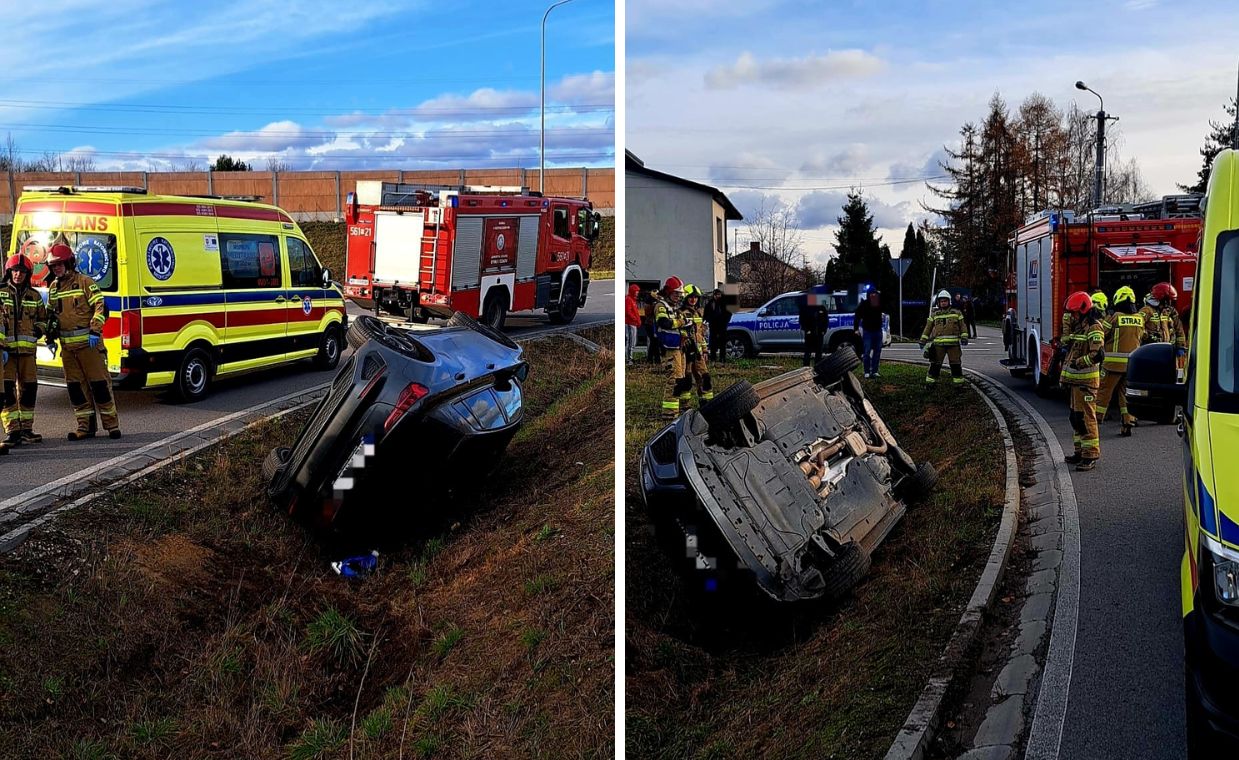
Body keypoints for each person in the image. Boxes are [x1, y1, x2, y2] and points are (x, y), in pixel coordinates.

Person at [46, 242, 121, 439]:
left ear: (69, 263)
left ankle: (112, 426)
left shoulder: (85, 282)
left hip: (90, 346)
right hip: (68, 350)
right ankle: (84, 428)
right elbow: (52, 315)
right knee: (76, 389)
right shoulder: (54, 288)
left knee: (100, 386)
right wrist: (50, 336)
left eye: (60, 264)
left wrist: (95, 331)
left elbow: (100, 306)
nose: (57, 269)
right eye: (54, 266)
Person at [0, 253, 47, 445]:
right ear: (9, 272)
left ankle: (27, 429)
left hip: (28, 353)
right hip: (6, 353)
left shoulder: (34, 296)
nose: (18, 275)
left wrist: (39, 329)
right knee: (8, 391)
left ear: (27, 274)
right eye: (15, 271)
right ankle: (12, 431)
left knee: (29, 390)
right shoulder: (0, 293)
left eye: (22, 271)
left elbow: (43, 319)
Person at [1061, 291, 1106, 471]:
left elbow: (1097, 355)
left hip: (1086, 384)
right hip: (1076, 384)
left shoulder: (1095, 328)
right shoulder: (1081, 328)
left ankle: (1091, 454)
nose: (1072, 316)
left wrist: (1078, 363)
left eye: (1074, 313)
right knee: (1076, 418)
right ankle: (1079, 452)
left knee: (1087, 419)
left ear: (1083, 310)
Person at [1094, 285, 1143, 436]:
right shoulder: (1139, 319)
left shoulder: (1115, 317)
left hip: (1112, 365)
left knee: (1103, 393)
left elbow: (1102, 333)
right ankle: (1128, 421)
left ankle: (1094, 422)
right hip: (1131, 366)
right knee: (1125, 395)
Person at [654, 276, 691, 419]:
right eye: (676, 294)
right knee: (674, 380)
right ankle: (669, 413)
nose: (678, 297)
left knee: (680, 379)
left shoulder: (673, 307)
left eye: (680, 294)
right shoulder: (661, 306)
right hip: (669, 348)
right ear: (668, 292)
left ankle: (677, 410)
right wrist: (682, 322)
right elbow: (665, 323)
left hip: (678, 347)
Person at [920, 289, 968, 385]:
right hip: (938, 345)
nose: (943, 303)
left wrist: (964, 337)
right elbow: (928, 328)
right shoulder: (934, 315)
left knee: (956, 364)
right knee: (935, 365)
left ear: (949, 301)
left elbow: (963, 326)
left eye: (945, 301)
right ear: (938, 302)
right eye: (941, 301)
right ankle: (930, 383)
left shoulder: (956, 313)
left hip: (953, 345)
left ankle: (958, 384)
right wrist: (923, 340)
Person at [680, 285, 712, 403]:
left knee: (705, 376)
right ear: (685, 298)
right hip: (686, 352)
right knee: (686, 378)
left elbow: (700, 334)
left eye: (695, 297)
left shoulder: (698, 313)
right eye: (690, 297)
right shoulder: (681, 313)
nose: (693, 300)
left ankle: (706, 403)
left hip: (698, 352)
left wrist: (704, 350)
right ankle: (685, 405)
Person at [854, 287, 884, 378]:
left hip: (878, 331)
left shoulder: (879, 304)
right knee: (866, 352)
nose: (873, 295)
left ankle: (874, 371)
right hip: (868, 331)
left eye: (875, 293)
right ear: (868, 295)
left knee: (877, 352)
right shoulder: (864, 304)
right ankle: (866, 371)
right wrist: (856, 329)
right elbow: (857, 316)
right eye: (871, 293)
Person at [797, 285, 829, 367]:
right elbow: (802, 320)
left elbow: (825, 320)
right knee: (808, 352)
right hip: (809, 333)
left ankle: (818, 368)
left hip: (819, 333)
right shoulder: (805, 308)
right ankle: (805, 368)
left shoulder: (821, 308)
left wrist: (823, 331)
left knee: (819, 352)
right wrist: (807, 330)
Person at [704, 288, 732, 362]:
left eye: (718, 294)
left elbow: (729, 314)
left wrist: (725, 322)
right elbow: (706, 314)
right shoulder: (710, 303)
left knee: (722, 343)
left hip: (722, 326)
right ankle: (713, 358)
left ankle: (722, 358)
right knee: (713, 343)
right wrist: (708, 320)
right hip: (713, 325)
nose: (717, 296)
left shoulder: (724, 303)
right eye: (716, 295)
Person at [643, 286, 662, 365]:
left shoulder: (654, 302)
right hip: (650, 324)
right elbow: (648, 313)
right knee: (654, 342)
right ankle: (654, 360)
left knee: (654, 342)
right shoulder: (650, 303)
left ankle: (651, 359)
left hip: (653, 324)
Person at [624, 283, 641, 366]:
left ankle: (630, 358)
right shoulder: (628, 299)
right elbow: (628, 312)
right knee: (630, 341)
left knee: (633, 341)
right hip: (630, 323)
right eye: (636, 291)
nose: (637, 293)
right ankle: (629, 359)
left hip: (633, 323)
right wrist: (635, 319)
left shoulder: (632, 300)